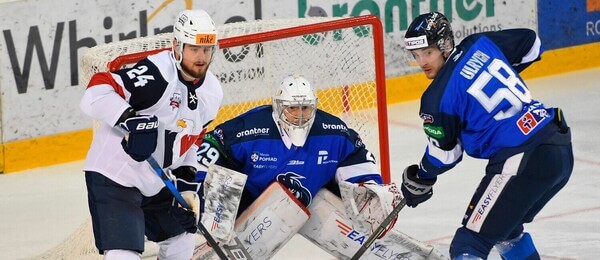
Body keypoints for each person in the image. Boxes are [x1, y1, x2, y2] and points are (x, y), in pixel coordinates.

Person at [400, 12, 573, 260]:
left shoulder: (436, 98)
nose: (422, 61)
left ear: (445, 45)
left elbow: (445, 155)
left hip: (522, 157)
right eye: (416, 55)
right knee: (505, 230)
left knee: (469, 244)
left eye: (428, 52)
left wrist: (422, 176)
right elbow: (532, 44)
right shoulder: (479, 43)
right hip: (558, 145)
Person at [195, 75, 403, 257]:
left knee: (363, 204)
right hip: (248, 197)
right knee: (218, 190)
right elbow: (214, 144)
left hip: (311, 198)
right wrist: (199, 189)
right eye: (292, 108)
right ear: (278, 107)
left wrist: (370, 186)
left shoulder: (332, 130)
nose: (299, 115)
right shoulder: (250, 128)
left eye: (305, 108)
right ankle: (203, 243)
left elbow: (356, 156)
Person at [79, 9, 222, 260]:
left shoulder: (212, 92)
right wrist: (130, 120)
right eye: (193, 49)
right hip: (115, 175)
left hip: (155, 181)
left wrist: (187, 186)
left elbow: (193, 140)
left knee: (182, 241)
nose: (201, 57)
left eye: (207, 49)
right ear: (177, 46)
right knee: (124, 254)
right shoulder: (156, 73)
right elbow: (96, 92)